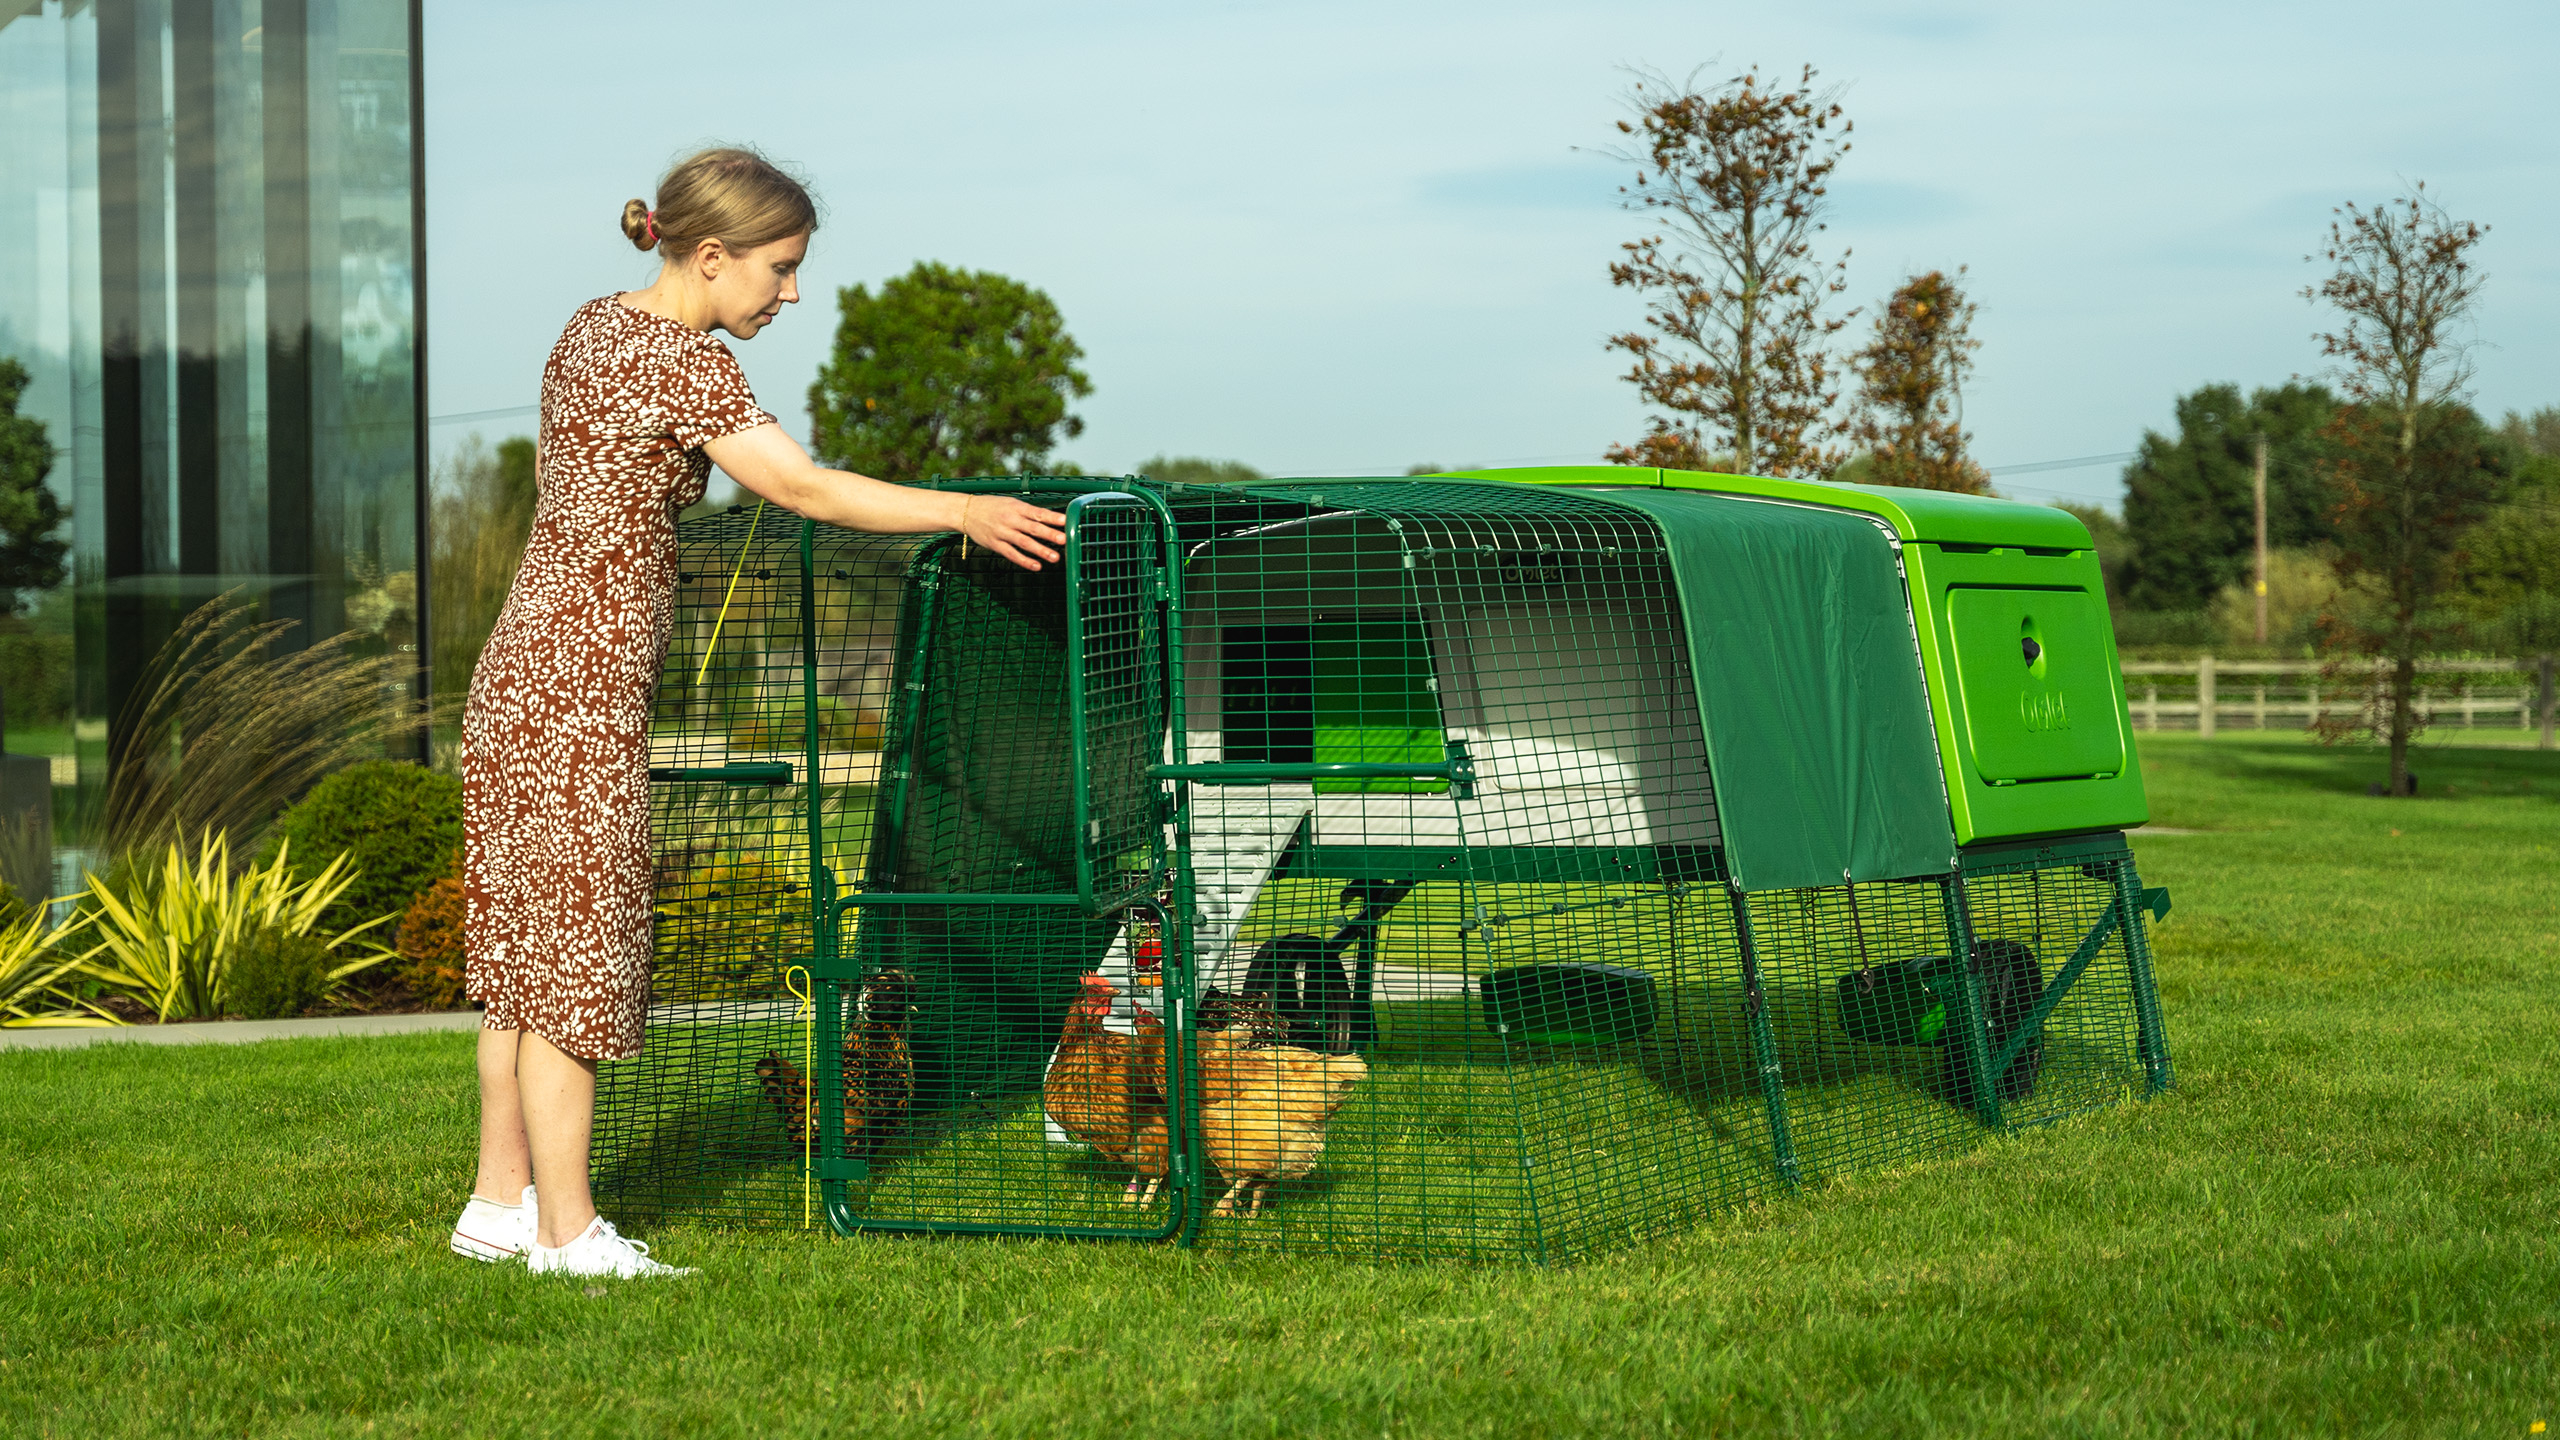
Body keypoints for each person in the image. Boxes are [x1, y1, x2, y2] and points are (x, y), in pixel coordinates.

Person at [446, 146, 1066, 1278]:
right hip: (576, 692)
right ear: (712, 255)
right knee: (577, 965)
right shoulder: (680, 363)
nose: (791, 294)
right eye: (779, 269)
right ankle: (568, 1233)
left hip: (518, 676)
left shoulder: (593, 326)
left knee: (527, 965)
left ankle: (498, 1204)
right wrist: (963, 509)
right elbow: (803, 487)